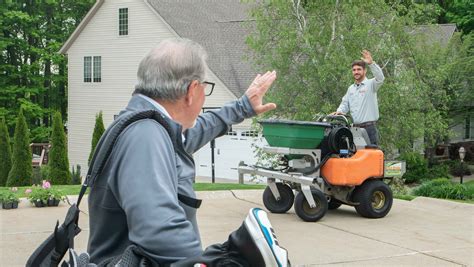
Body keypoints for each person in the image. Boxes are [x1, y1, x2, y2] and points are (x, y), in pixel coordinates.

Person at [87, 38, 289, 266]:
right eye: (205, 87)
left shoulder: (154, 128)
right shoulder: (145, 136)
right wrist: (200, 263)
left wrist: (243, 107)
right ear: (192, 90)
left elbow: (197, 131)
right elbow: (160, 229)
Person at [333, 50, 385, 145]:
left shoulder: (371, 84)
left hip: (369, 128)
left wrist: (371, 63)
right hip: (355, 129)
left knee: (371, 156)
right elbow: (345, 104)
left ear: (364, 71)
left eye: (359, 69)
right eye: (354, 70)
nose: (356, 72)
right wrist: (339, 111)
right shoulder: (351, 89)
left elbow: (381, 78)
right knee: (356, 155)